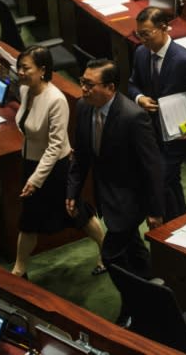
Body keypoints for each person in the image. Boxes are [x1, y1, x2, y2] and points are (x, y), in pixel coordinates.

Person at [10, 45, 106, 278]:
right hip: (31, 163)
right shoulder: (25, 91)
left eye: (25, 68)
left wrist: (36, 180)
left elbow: (54, 146)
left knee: (75, 212)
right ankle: (19, 268)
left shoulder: (56, 100)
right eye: (19, 67)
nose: (20, 72)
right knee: (29, 218)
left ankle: (107, 251)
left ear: (42, 70)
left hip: (56, 168)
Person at [66, 59, 164, 283]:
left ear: (110, 88)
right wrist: (73, 191)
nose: (83, 89)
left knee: (111, 255)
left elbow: (152, 167)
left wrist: (155, 210)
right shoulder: (83, 107)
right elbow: (81, 154)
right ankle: (154, 289)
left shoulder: (133, 117)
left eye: (90, 85)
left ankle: (133, 303)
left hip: (130, 197)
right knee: (133, 252)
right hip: (105, 193)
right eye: (82, 82)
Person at [127, 6, 186, 221]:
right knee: (169, 181)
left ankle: (163, 220)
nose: (142, 40)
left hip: (179, 132)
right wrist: (139, 98)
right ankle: (179, 221)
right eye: (139, 34)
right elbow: (132, 84)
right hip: (152, 130)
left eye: (146, 34)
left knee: (161, 178)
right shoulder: (141, 53)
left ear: (163, 28)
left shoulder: (185, 60)